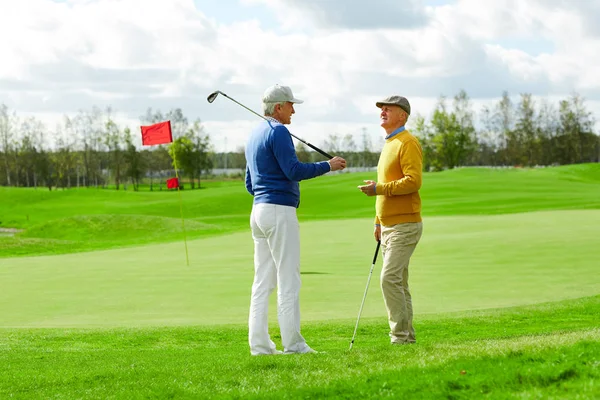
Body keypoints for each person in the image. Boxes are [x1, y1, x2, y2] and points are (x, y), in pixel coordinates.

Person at [245, 84, 346, 355]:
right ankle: (294, 345)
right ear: (278, 107)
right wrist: (328, 165)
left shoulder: (255, 133)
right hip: (279, 211)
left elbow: (249, 184)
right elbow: (293, 170)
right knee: (288, 278)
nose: (293, 110)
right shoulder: (278, 131)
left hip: (259, 212)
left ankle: (260, 347)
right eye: (291, 105)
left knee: (262, 280)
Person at [358, 95, 423, 345]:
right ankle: (406, 338)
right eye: (381, 109)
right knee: (399, 282)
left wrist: (379, 189)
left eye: (388, 109)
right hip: (388, 225)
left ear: (402, 115)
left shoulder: (407, 142)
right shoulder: (390, 143)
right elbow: (384, 184)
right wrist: (378, 221)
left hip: (405, 224)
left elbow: (413, 181)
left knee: (389, 279)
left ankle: (399, 337)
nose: (382, 112)